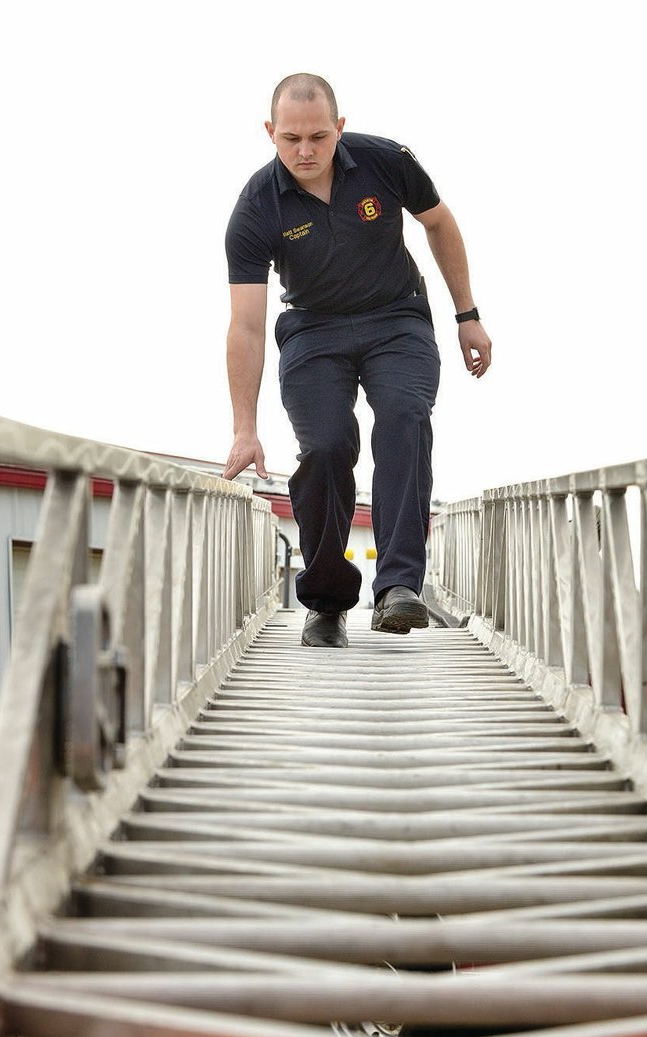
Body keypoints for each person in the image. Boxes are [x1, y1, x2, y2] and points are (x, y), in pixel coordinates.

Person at [223, 73, 491, 647]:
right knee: (324, 446)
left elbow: (439, 222)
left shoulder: (383, 161)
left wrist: (466, 313)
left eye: (319, 136)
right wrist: (245, 427)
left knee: (403, 414)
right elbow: (245, 324)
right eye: (291, 138)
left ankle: (397, 587)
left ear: (339, 128)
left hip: (397, 318)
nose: (305, 151)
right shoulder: (255, 207)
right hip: (312, 331)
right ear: (270, 133)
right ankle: (325, 601)